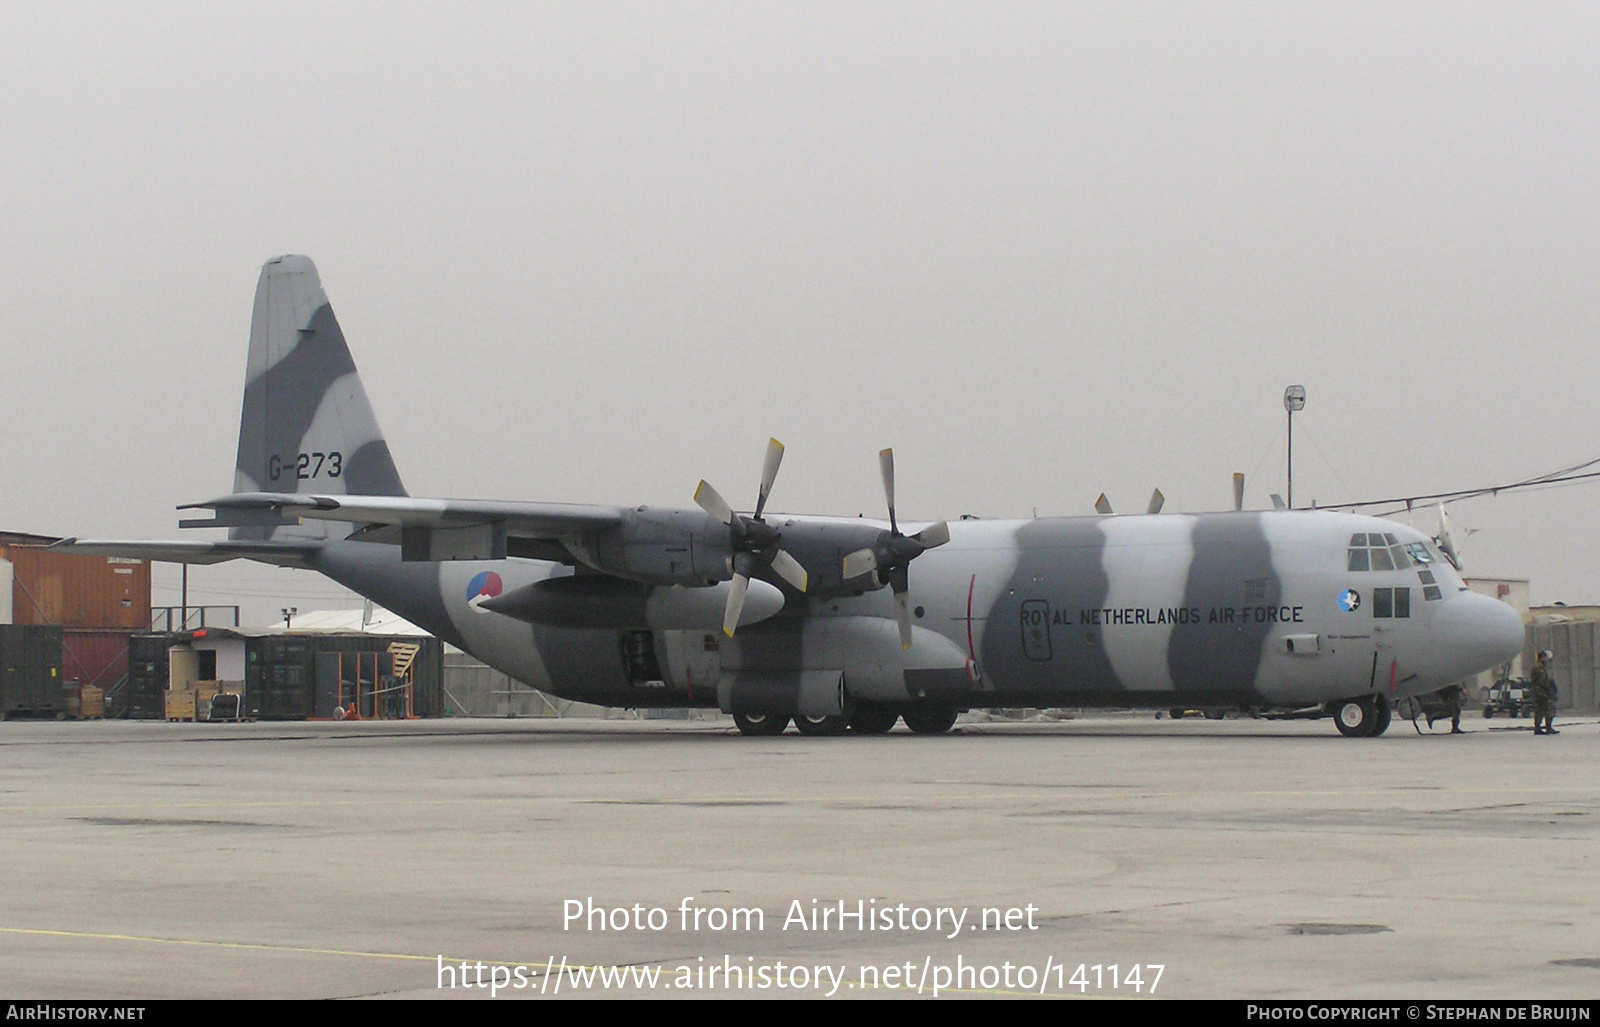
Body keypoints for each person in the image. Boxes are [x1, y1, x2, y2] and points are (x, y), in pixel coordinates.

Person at [1529, 649, 1558, 735]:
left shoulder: (1541, 667)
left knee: (1544, 709)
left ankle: (1546, 726)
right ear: (1543, 657)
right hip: (1541, 692)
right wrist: (1550, 685)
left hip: (1542, 691)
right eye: (1546, 657)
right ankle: (1541, 727)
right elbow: (1542, 681)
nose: (1548, 659)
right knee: (1543, 709)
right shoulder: (1538, 668)